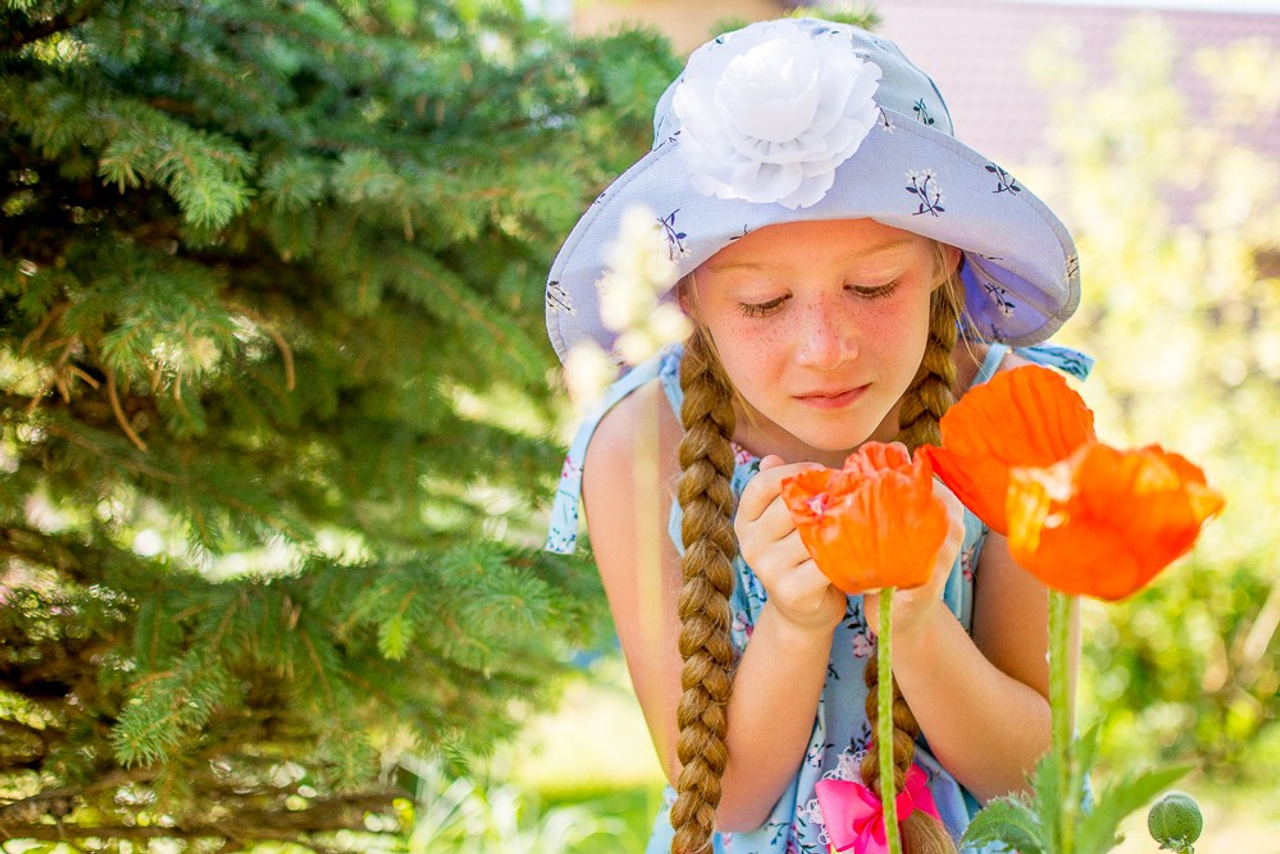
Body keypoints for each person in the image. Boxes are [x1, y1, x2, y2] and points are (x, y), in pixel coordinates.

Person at [543, 17, 1092, 854]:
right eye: (763, 303)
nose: (825, 348)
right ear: (687, 295)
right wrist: (795, 626)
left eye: (872, 286)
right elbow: (723, 800)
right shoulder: (638, 449)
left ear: (946, 256)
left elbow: (1033, 774)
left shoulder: (1016, 419)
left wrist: (915, 621)